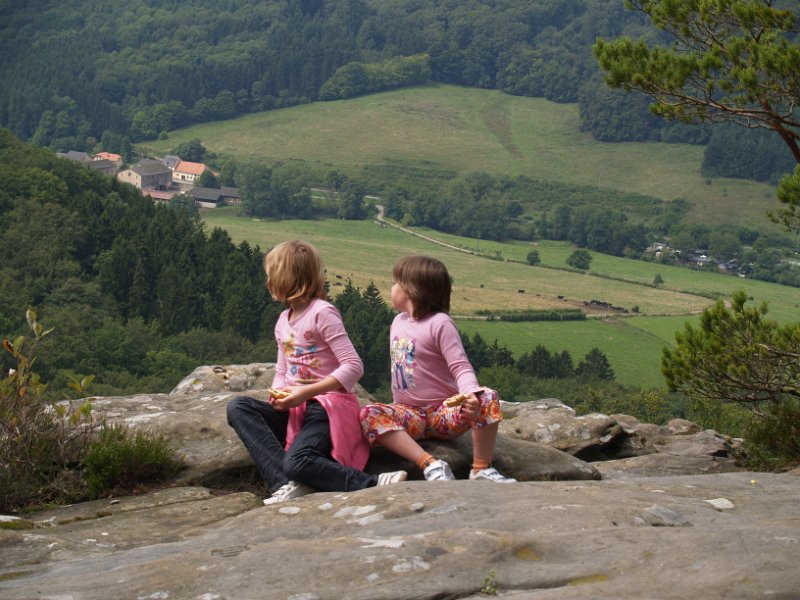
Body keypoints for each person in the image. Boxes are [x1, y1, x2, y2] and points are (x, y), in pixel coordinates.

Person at [227, 240, 406, 505]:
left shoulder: (322, 313)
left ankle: (372, 483)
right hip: (296, 410)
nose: (268, 282)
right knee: (238, 407)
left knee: (298, 461)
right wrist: (279, 393)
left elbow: (353, 366)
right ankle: (286, 483)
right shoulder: (283, 321)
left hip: (328, 408)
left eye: (271, 275)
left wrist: (305, 393)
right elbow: (283, 369)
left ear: (287, 278)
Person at [359, 255, 516, 483]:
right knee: (368, 413)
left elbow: (460, 366)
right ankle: (430, 464)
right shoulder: (398, 322)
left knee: (487, 397)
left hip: (443, 412)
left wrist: (470, 395)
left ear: (411, 290)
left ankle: (481, 469)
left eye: (395, 283)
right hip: (409, 413)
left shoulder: (440, 323)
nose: (391, 288)